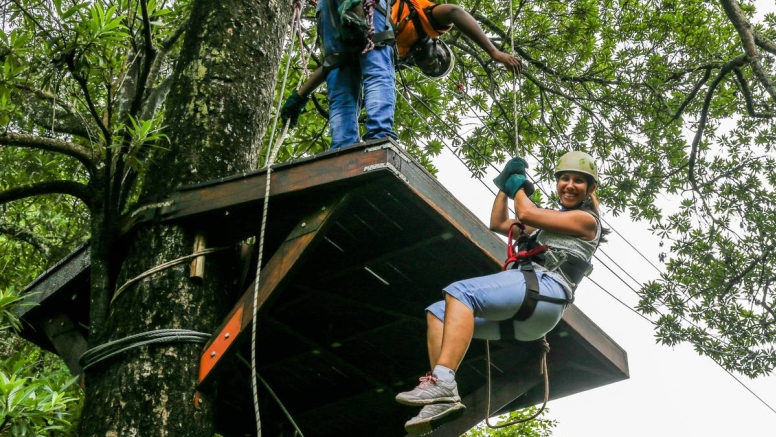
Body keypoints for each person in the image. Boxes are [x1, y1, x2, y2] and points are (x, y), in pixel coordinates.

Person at [394, 151, 605, 435]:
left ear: (590, 189)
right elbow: (498, 223)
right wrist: (504, 187)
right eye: (564, 178)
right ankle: (441, 396)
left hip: (545, 291)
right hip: (527, 316)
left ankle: (443, 381)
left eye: (578, 181)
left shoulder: (587, 221)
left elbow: (527, 213)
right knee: (438, 312)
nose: (569, 185)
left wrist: (517, 185)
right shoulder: (548, 223)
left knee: (461, 293)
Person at [280, 0, 523, 144]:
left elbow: (332, 65)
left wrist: (299, 96)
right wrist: (493, 52)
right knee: (378, 73)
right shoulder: (426, 19)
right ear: (439, 45)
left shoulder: (398, 47)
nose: (430, 64)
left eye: (431, 70)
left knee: (342, 72)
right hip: (366, 7)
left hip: (332, 8)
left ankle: (341, 148)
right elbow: (455, 13)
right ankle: (379, 138)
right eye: (437, 61)